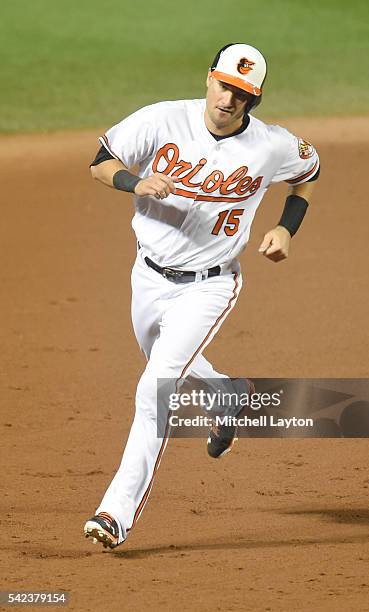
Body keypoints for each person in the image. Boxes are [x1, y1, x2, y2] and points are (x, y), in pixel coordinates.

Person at [83, 43, 320, 549]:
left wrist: (286, 228)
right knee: (158, 357)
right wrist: (134, 182)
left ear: (254, 98)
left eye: (242, 93)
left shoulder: (271, 145)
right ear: (209, 78)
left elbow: (308, 174)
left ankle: (115, 513)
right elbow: (101, 161)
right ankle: (225, 392)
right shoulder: (162, 120)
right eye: (224, 85)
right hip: (146, 277)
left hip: (211, 284)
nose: (229, 99)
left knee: (155, 389)